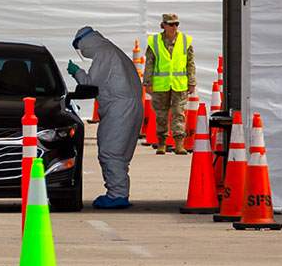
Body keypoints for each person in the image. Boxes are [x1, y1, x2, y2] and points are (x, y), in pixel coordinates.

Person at [67, 26, 143, 209]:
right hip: (132, 106)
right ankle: (120, 192)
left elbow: (90, 84)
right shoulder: (113, 51)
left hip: (119, 108)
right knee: (120, 154)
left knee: (111, 152)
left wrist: (76, 72)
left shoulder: (104, 54)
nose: (82, 52)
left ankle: (117, 194)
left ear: (86, 43)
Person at [143, 13, 196, 155]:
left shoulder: (185, 41)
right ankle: (162, 143)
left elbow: (190, 63)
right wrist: (147, 83)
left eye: (176, 24)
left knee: (179, 113)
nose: (174, 27)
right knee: (161, 115)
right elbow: (149, 63)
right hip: (161, 85)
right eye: (171, 24)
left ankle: (179, 144)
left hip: (179, 84)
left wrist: (191, 82)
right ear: (164, 25)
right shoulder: (154, 42)